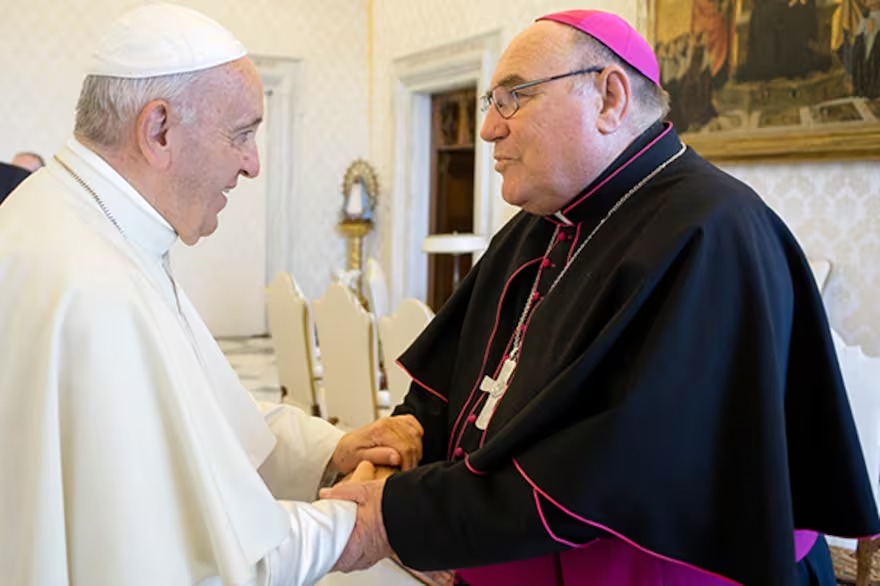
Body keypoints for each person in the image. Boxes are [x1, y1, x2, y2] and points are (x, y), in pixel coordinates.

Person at [322, 9, 880, 585]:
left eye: (513, 97)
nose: (488, 126)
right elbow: (459, 380)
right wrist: (411, 431)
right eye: (492, 101)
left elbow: (619, 466)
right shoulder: (540, 224)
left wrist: (397, 514)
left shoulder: (712, 231)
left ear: (609, 98)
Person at [0, 4, 423, 586]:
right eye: (242, 134)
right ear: (159, 130)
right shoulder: (95, 286)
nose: (252, 165)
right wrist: (359, 525)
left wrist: (334, 449)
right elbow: (199, 561)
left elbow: (197, 406)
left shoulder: (71, 215)